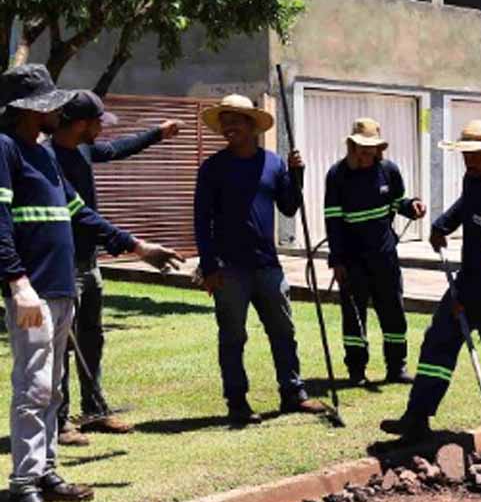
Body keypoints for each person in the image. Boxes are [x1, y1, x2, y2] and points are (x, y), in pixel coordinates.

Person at [0, 65, 183, 502]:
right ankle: (23, 488)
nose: (57, 110)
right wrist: (16, 283)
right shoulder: (5, 150)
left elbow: (81, 214)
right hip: (33, 291)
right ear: (26, 108)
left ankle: (46, 471)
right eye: (48, 104)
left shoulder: (45, 156)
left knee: (54, 386)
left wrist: (139, 247)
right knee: (34, 387)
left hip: (61, 289)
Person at [380, 120, 481, 455]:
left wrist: (466, 300)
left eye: (475, 154)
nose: (468, 160)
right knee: (439, 341)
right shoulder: (474, 178)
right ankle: (417, 419)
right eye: (465, 154)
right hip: (472, 276)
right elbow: (466, 205)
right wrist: (442, 225)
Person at [49, 90, 183, 445]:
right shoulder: (46, 159)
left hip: (89, 261)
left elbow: (117, 149)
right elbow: (81, 215)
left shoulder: (82, 149)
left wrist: (158, 133)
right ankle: (59, 422)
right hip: (63, 264)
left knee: (92, 337)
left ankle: (93, 411)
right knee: (62, 343)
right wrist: (136, 246)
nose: (102, 130)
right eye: (97, 123)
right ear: (79, 124)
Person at [194, 94, 326, 426]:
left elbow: (289, 207)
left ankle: (293, 393)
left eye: (235, 120)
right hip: (229, 269)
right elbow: (201, 220)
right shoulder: (212, 168)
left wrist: (298, 174)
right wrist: (209, 266)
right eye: (225, 121)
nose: (228, 127)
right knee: (233, 337)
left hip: (268, 265)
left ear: (253, 125)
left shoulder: (273, 164)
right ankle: (237, 402)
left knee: (284, 331)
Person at [324, 118, 426, 386]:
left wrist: (412, 206)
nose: (365, 154)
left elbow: (397, 203)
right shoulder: (337, 175)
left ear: (379, 150)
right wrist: (337, 260)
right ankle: (356, 371)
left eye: (370, 150)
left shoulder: (389, 171)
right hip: (352, 260)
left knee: (393, 311)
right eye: (360, 149)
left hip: (385, 257)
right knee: (354, 317)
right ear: (351, 146)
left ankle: (396, 367)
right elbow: (333, 221)